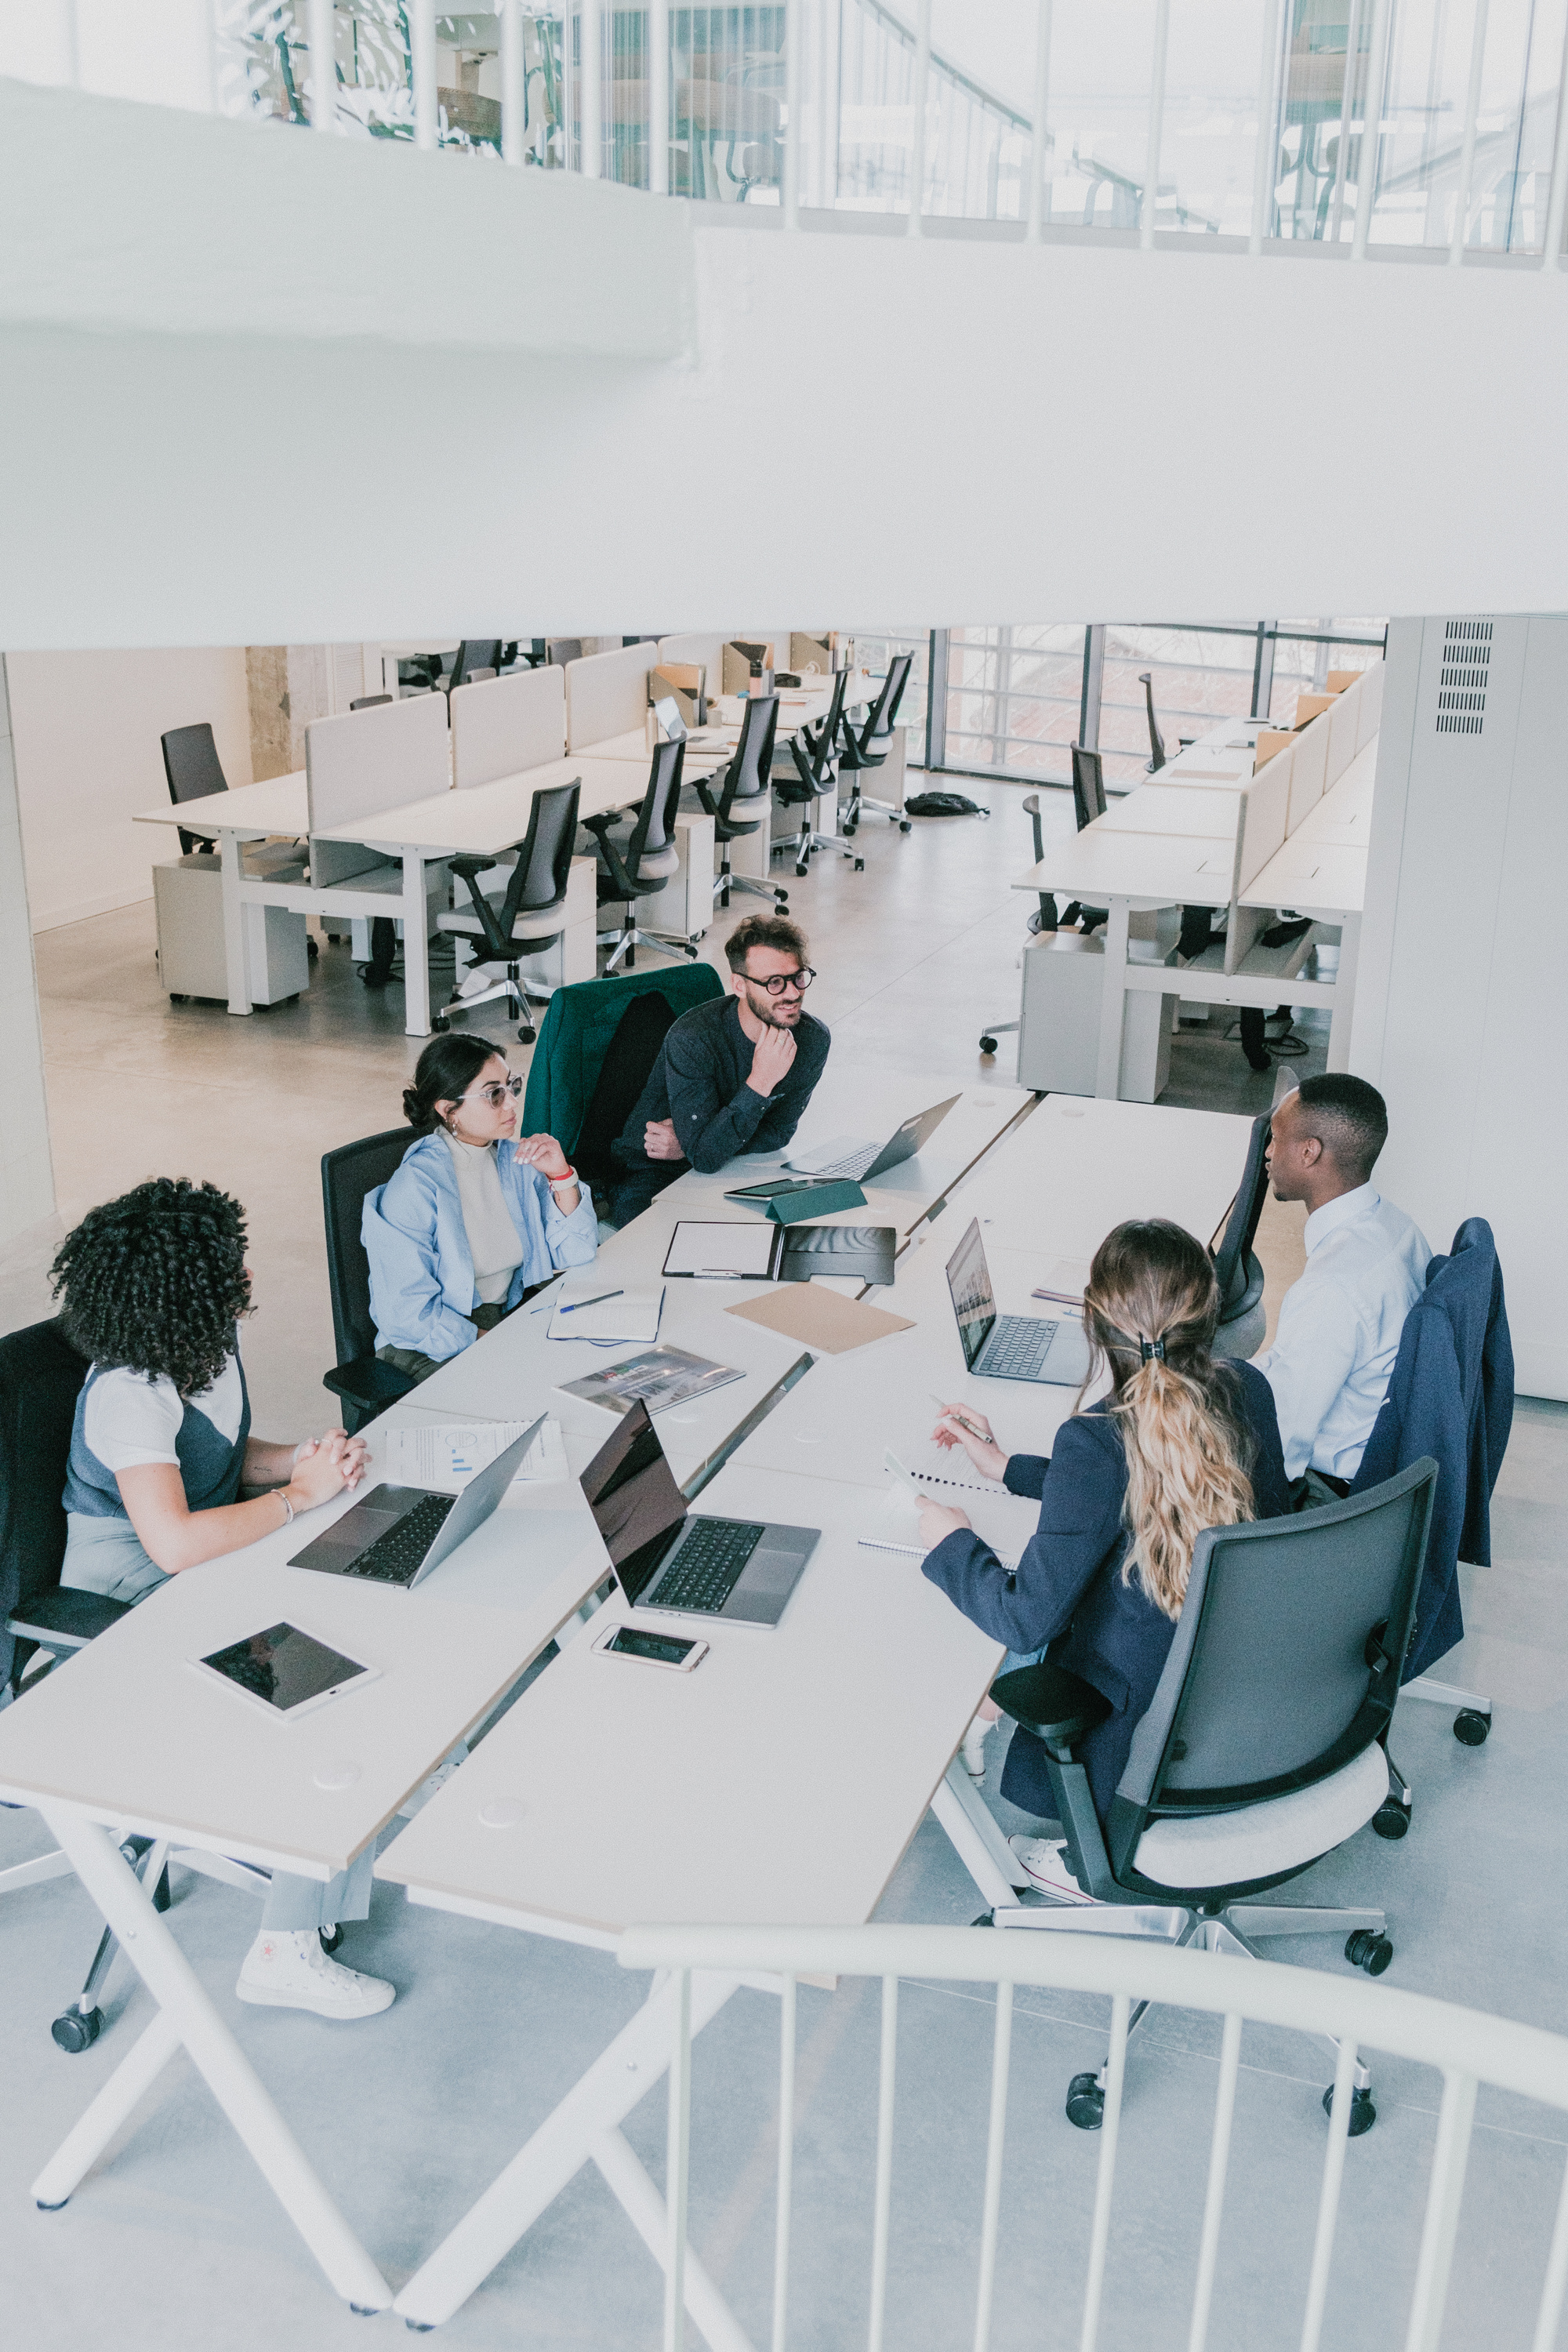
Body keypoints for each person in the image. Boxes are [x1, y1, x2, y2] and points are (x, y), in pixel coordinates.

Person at [53, 1178, 394, 2020]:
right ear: (184, 1292)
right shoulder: (129, 1392)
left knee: (364, 1644)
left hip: (203, 1565)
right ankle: (282, 1951)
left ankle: (314, 1886)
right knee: (325, 1690)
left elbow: (221, 1459)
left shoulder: (199, 1347)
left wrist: (303, 1460)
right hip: (131, 1602)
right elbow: (170, 1541)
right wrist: (300, 1501)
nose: (245, 1279)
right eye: (227, 1269)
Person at [916, 1219, 1290, 1903]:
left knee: (1013, 1652)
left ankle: (1098, 1855)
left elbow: (1023, 1619)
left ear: (1094, 1326)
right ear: (1210, 1313)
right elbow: (1152, 1470)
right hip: (1253, 1696)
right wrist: (1007, 1468)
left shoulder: (1095, 1443)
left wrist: (950, 1540)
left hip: (1143, 1732)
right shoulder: (1247, 1391)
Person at [365, 1033, 598, 1383]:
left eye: (510, 1086)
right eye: (494, 1095)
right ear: (448, 1110)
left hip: (499, 1319)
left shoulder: (513, 1160)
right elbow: (407, 1315)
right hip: (426, 1344)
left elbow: (575, 1253)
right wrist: (494, 1344)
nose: (511, 1104)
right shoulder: (414, 1187)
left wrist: (561, 1175)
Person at [1251, 1073, 1430, 1500]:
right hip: (1376, 1450)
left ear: (1309, 1152)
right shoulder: (1399, 1229)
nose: (1268, 1153)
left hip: (1327, 1492)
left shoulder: (1332, 1288)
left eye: (1276, 1139)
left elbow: (1283, 1448)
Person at [608, 913, 831, 1227]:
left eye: (798, 977)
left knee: (798, 1226)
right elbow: (706, 1158)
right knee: (661, 1245)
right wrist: (761, 1082)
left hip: (731, 1161)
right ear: (739, 985)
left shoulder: (811, 1040)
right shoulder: (692, 1039)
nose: (793, 993)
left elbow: (779, 1133)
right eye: (774, 982)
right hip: (653, 1169)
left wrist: (689, 1146)